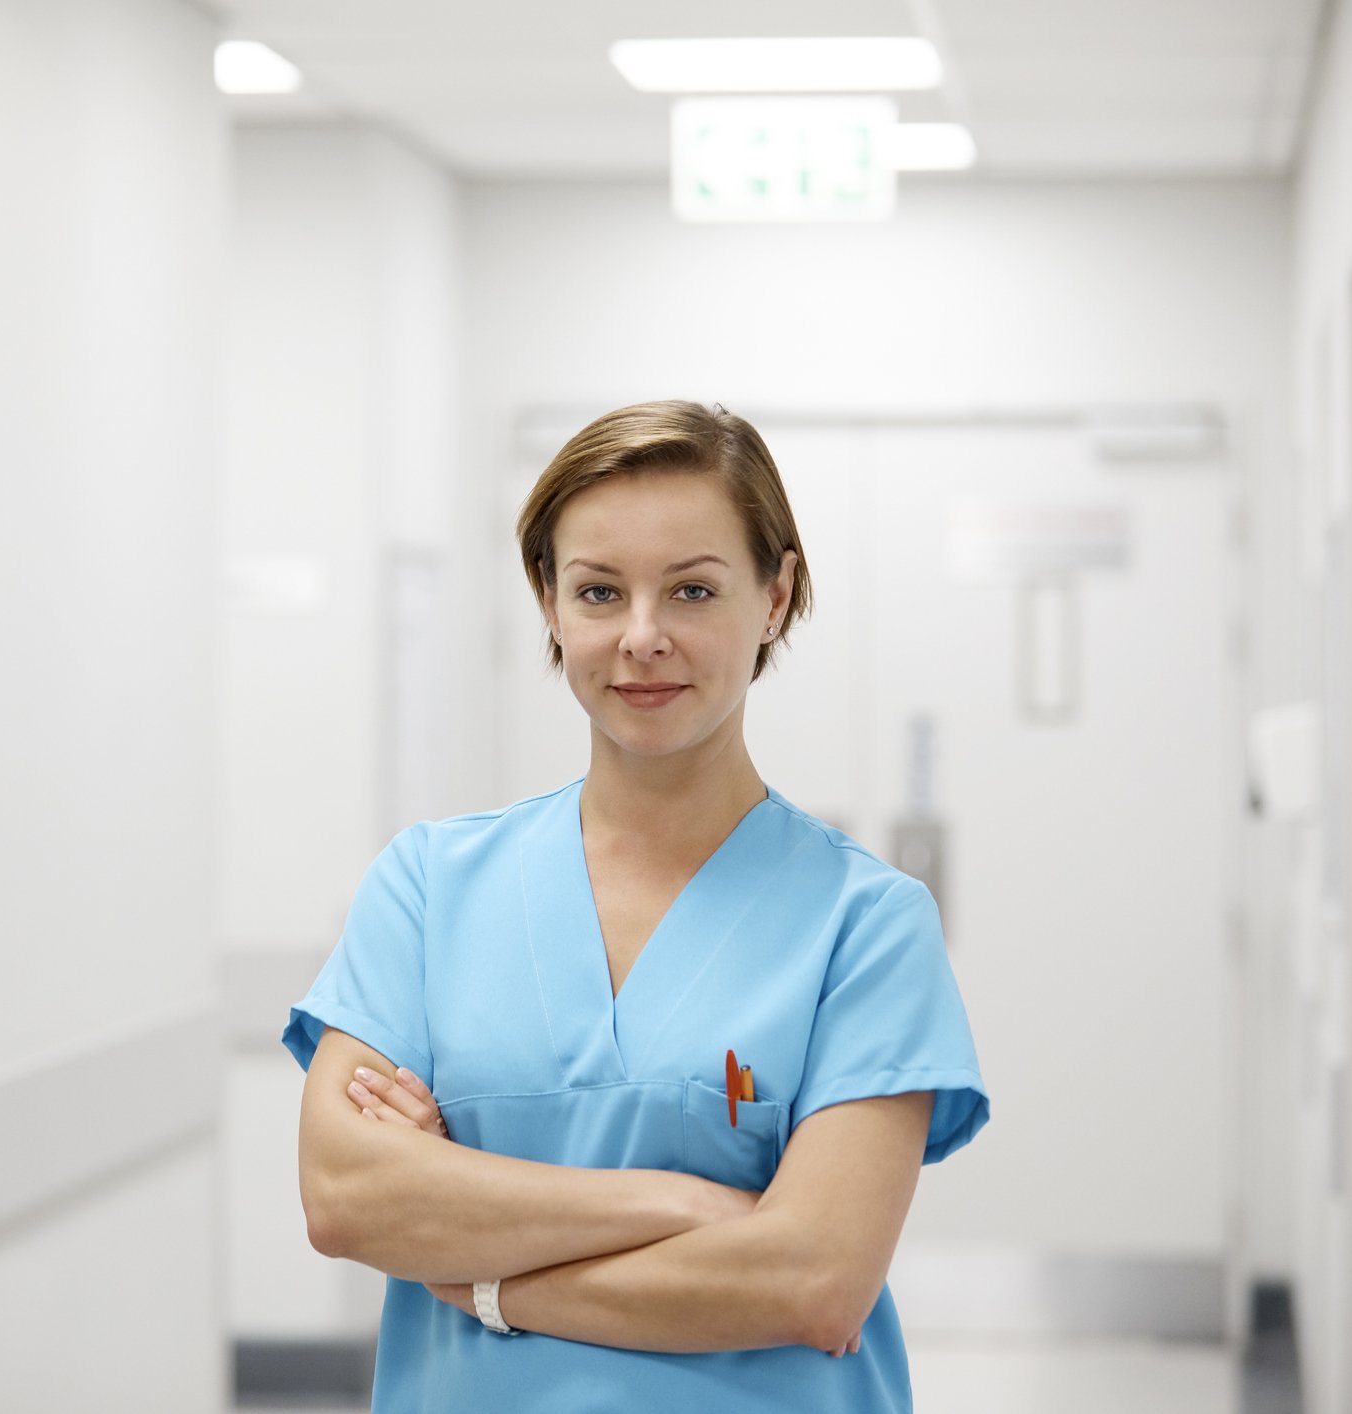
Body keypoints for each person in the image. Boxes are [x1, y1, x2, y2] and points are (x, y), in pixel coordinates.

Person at [282, 399, 990, 1412]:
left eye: (693, 589)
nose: (642, 637)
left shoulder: (865, 925)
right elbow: (347, 1198)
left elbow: (814, 1280)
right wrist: (685, 1204)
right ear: (549, 601)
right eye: (600, 591)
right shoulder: (430, 886)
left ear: (776, 594)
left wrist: (484, 1274)